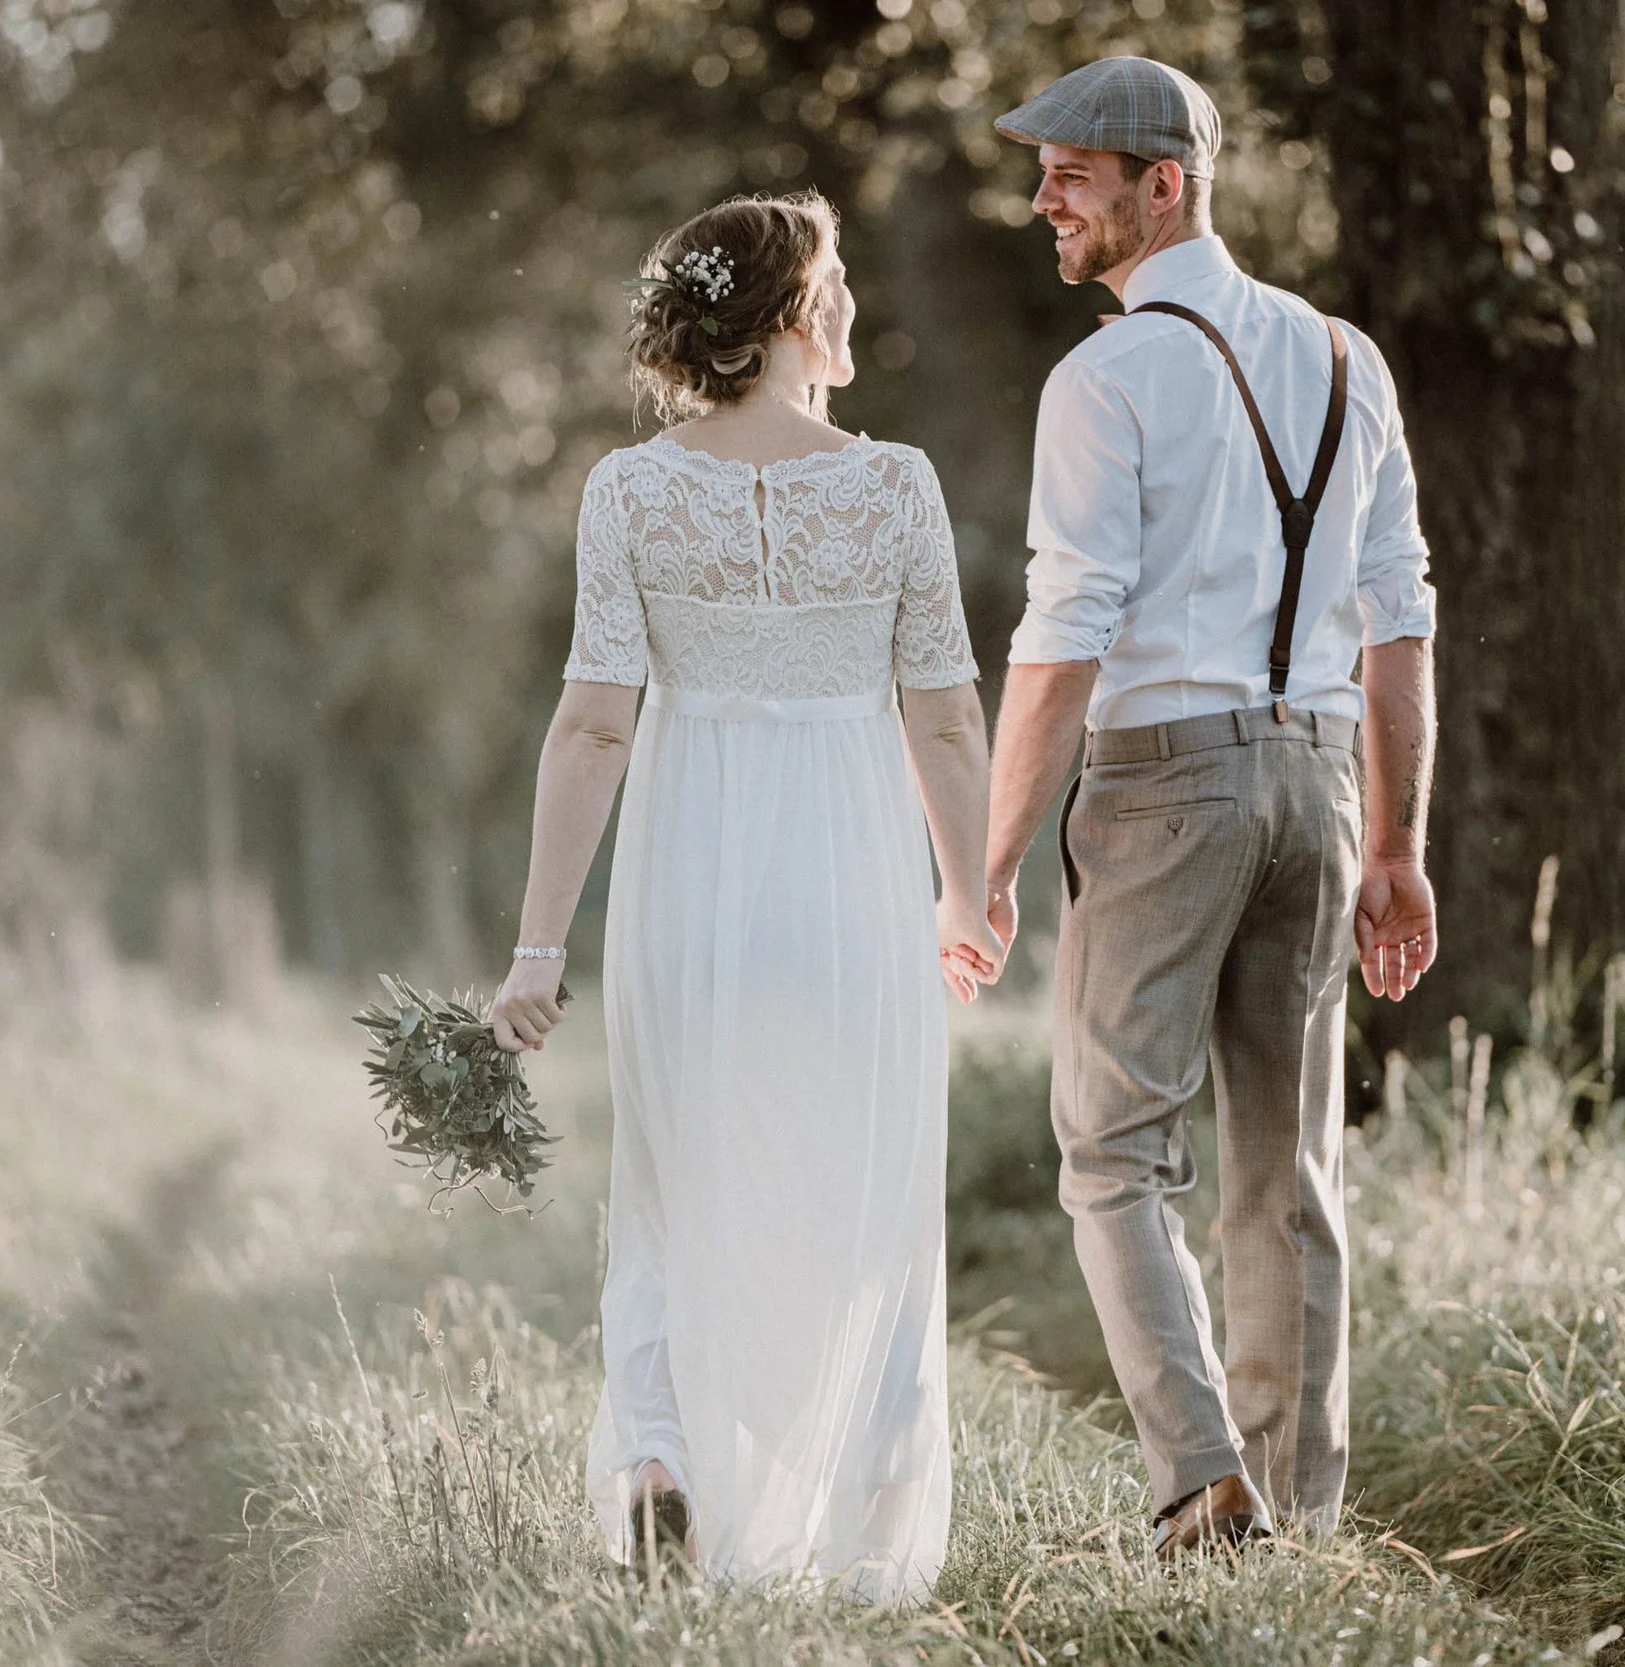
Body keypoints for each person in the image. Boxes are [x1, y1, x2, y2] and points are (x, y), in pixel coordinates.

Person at [486, 191, 1004, 1600]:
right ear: (786, 317)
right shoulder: (895, 484)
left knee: (673, 1181)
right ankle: (849, 1528)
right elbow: (949, 722)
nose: (844, 310)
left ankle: (662, 1459)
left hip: (689, 877)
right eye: (829, 286)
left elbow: (592, 725)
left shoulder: (632, 491)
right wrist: (973, 893)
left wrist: (540, 944)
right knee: (864, 1192)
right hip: (848, 877)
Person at [982, 58, 1441, 1556]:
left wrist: (987, 863)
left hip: (1163, 786)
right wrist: (1396, 842)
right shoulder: (1346, 358)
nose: (1043, 195)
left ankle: (1203, 1477)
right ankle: (1298, 1513)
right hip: (1315, 779)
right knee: (1285, 1173)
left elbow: (1064, 637)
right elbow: (1398, 617)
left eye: (1073, 172)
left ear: (1161, 183)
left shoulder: (1103, 382)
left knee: (1113, 1153)